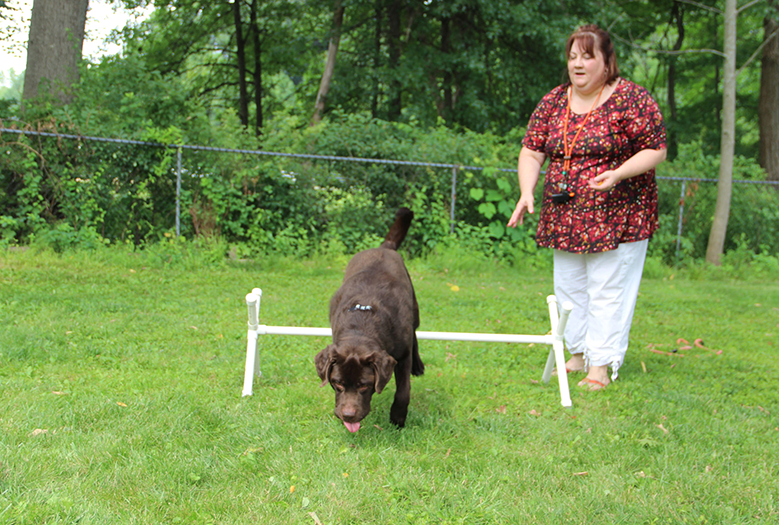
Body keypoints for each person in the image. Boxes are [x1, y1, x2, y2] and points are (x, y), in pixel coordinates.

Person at [507, 24, 667, 391]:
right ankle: (577, 354)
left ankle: (601, 365)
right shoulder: (553, 101)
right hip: (565, 216)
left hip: (618, 214)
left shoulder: (631, 99)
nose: (577, 64)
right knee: (569, 288)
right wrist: (526, 191)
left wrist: (618, 173)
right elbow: (532, 151)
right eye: (572, 56)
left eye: (587, 56)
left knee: (607, 289)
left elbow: (656, 149)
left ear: (607, 61)